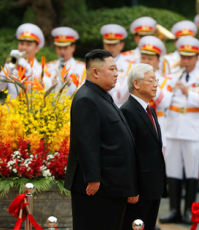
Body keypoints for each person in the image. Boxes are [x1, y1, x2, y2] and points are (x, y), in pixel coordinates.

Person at [64, 49, 138, 230]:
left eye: (116, 69)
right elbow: (87, 142)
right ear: (95, 72)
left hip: (111, 184)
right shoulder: (86, 99)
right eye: (112, 69)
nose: (116, 73)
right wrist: (93, 178)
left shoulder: (101, 95)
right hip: (98, 187)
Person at [159, 36, 199, 224]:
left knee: (192, 171)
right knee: (173, 170)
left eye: (190, 57)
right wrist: (171, 91)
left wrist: (187, 92)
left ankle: (190, 212)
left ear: (197, 58)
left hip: (193, 128)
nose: (186, 61)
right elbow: (163, 100)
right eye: (183, 57)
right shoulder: (172, 75)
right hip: (173, 127)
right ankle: (174, 210)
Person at [121, 63, 166, 230]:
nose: (156, 85)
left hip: (152, 186)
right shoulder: (128, 111)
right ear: (137, 84)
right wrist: (131, 188)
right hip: (138, 190)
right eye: (151, 81)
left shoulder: (150, 110)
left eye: (156, 80)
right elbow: (128, 154)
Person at [0, 23, 48, 98]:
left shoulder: (41, 69)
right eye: (21, 43)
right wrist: (8, 67)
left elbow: (44, 90)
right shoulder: (13, 66)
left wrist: (28, 71)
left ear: (37, 48)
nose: (24, 47)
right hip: (11, 108)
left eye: (28, 44)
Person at [47, 26, 86, 96]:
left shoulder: (82, 68)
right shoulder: (49, 67)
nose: (62, 51)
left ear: (73, 48)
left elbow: (84, 92)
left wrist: (70, 84)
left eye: (65, 48)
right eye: (59, 48)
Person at [100, 24, 132, 106]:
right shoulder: (96, 63)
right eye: (108, 44)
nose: (110, 48)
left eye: (113, 44)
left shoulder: (129, 65)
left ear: (121, 45)